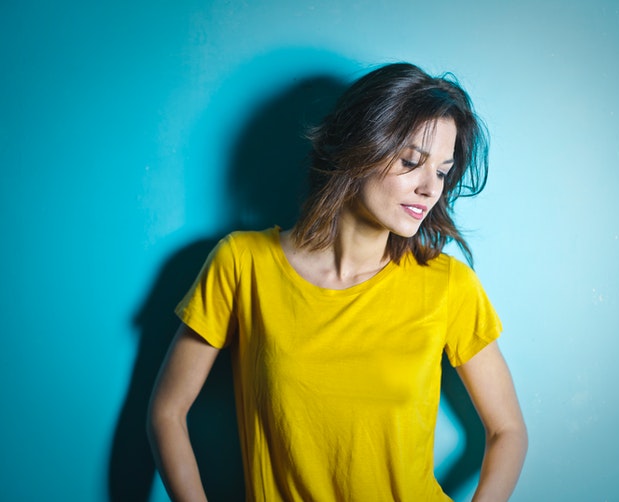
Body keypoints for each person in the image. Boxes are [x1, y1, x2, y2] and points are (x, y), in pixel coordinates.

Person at [147, 62, 527, 501]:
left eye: (441, 171)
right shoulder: (243, 264)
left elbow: (509, 430)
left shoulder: (447, 286)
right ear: (358, 146)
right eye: (411, 161)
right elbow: (166, 411)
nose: (430, 188)